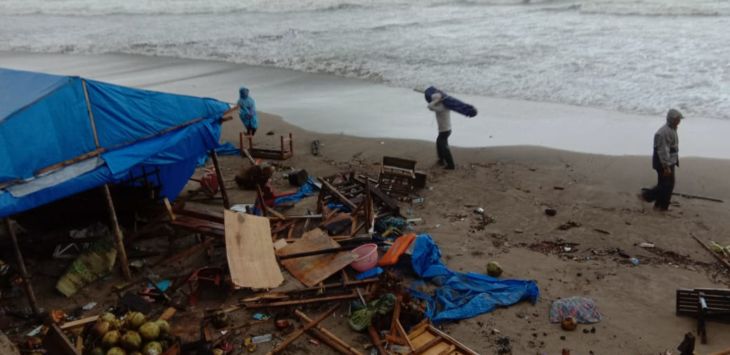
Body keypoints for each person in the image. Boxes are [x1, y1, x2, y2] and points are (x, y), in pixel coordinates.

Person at [641, 108, 684, 210]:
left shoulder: (672, 129)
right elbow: (662, 151)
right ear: (672, 120)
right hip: (663, 162)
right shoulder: (663, 133)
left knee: (664, 183)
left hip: (669, 161)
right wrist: (666, 166)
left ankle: (660, 205)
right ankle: (648, 196)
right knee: (667, 185)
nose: (679, 121)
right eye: (678, 119)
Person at [428, 92, 455, 170]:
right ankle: (441, 160)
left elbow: (430, 106)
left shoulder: (441, 107)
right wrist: (438, 100)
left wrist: (437, 100)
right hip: (447, 130)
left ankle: (451, 165)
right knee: (439, 143)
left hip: (444, 131)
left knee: (444, 147)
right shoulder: (445, 106)